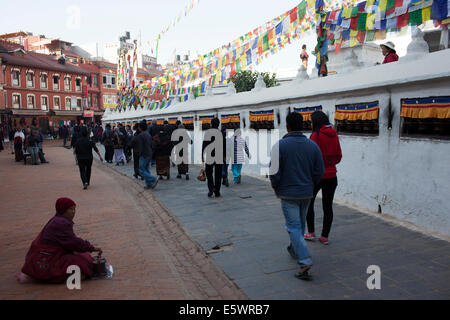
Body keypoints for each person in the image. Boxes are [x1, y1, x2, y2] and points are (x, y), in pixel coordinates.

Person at [269, 112, 324, 280]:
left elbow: (273, 172)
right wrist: (310, 184)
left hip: (288, 193)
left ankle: (305, 260)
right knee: (298, 225)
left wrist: (277, 186)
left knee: (293, 227)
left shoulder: (280, 146)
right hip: (306, 193)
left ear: (287, 126)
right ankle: (294, 248)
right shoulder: (313, 146)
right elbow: (319, 171)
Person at [18, 197, 102, 284]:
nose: (73, 212)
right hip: (47, 259)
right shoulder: (61, 223)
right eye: (70, 209)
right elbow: (73, 242)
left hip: (45, 255)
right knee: (82, 261)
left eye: (74, 209)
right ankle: (70, 277)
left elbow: (71, 242)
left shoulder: (58, 220)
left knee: (84, 256)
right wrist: (92, 248)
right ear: (63, 210)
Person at [304, 111, 342, 245]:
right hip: (332, 176)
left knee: (309, 203)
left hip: (316, 177)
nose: (310, 123)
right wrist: (329, 164)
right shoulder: (334, 134)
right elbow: (339, 156)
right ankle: (325, 236)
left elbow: (309, 158)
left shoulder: (315, 136)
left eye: (311, 121)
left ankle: (311, 232)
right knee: (328, 206)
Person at [202, 118, 226, 198]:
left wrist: (202, 155)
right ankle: (217, 191)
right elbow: (224, 145)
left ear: (211, 124)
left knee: (209, 173)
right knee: (218, 174)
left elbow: (204, 145)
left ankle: (211, 188)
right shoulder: (221, 133)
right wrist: (224, 155)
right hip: (219, 155)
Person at [136, 122, 158, 189]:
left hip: (144, 154)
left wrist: (138, 154)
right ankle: (149, 184)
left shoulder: (141, 135)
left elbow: (140, 146)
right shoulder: (148, 134)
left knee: (141, 170)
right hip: (149, 153)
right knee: (146, 169)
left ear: (140, 128)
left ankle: (153, 179)